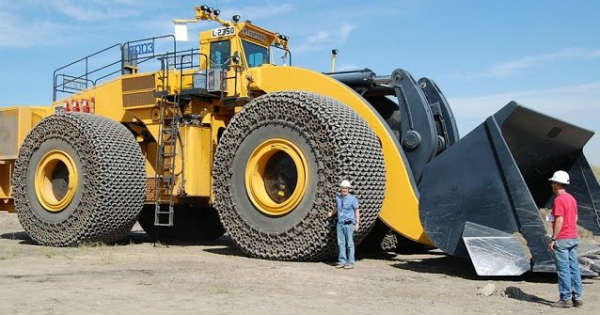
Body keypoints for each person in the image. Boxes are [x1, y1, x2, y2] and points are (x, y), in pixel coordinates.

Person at [547, 170, 583, 308]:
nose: (552, 185)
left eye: (553, 182)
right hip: (573, 237)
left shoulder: (559, 200)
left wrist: (554, 238)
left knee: (563, 269)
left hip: (562, 239)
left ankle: (565, 298)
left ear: (557, 184)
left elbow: (560, 220)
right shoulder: (572, 199)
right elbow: (575, 218)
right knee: (574, 267)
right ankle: (577, 297)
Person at [328, 180, 360, 269]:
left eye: (346, 188)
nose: (344, 190)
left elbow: (356, 211)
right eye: (343, 188)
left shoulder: (353, 199)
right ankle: (342, 261)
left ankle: (350, 262)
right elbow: (337, 207)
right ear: (340, 189)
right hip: (340, 224)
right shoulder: (338, 198)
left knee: (350, 244)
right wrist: (331, 213)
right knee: (341, 243)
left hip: (349, 224)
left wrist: (357, 223)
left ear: (348, 189)